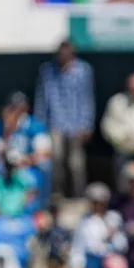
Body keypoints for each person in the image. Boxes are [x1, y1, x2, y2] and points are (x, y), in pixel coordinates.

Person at [35, 40, 95, 199]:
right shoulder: (48, 71)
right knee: (56, 161)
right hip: (55, 123)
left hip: (76, 124)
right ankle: (56, 195)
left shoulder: (83, 70)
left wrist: (87, 124)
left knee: (76, 164)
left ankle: (78, 195)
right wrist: (40, 125)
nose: (64, 56)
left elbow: (87, 98)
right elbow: (42, 99)